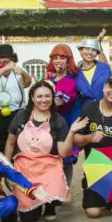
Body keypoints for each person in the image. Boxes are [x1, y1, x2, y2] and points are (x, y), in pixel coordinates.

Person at [4, 80, 86, 222]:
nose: (44, 100)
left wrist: (72, 132)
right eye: (39, 96)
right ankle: (34, 204)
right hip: (24, 169)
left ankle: (50, 204)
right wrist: (6, 168)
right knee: (28, 219)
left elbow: (63, 153)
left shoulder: (58, 120)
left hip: (48, 168)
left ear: (52, 98)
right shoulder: (22, 116)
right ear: (32, 98)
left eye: (47, 96)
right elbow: (10, 143)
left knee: (53, 194)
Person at [73, 74, 112, 221]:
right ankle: (106, 199)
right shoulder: (89, 109)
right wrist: (90, 137)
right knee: (92, 213)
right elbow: (76, 140)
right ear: (104, 88)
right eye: (110, 87)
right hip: (95, 167)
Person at [45, 44, 80, 197]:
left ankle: (65, 190)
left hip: (64, 125)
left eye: (62, 58)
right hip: (48, 126)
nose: (58, 61)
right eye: (55, 58)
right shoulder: (50, 80)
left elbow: (60, 102)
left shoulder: (70, 81)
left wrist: (44, 99)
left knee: (65, 159)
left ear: (68, 61)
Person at [0, 44, 32, 152]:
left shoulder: (18, 70)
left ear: (12, 60)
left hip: (17, 112)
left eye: (5, 61)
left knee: (17, 143)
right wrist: (4, 68)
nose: (1, 64)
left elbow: (27, 83)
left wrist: (22, 72)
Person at [75, 37, 112, 110]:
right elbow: (77, 99)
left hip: (108, 108)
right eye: (87, 49)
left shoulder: (104, 68)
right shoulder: (75, 73)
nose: (90, 52)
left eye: (94, 50)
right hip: (87, 111)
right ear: (80, 51)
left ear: (97, 53)